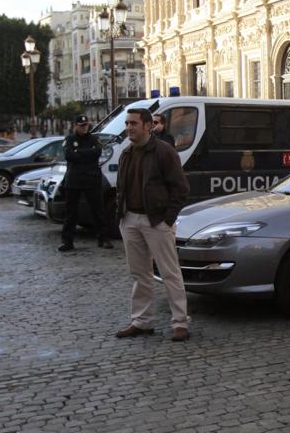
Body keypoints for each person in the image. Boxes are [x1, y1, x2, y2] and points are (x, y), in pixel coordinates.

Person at [114, 107, 191, 342]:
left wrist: (167, 219)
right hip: (131, 219)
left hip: (156, 221)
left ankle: (180, 323)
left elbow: (181, 188)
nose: (129, 128)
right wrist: (122, 216)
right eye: (127, 123)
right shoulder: (127, 153)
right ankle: (142, 321)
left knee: (170, 273)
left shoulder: (163, 151)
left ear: (148, 126)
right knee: (139, 273)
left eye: (133, 123)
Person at [58, 115, 111, 252]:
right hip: (74, 180)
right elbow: (69, 155)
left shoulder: (94, 139)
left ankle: (103, 238)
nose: (84, 127)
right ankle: (67, 241)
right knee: (71, 213)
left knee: (98, 210)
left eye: (86, 125)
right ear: (75, 125)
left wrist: (79, 153)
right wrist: (87, 154)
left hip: (91, 178)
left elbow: (97, 153)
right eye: (81, 125)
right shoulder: (70, 139)